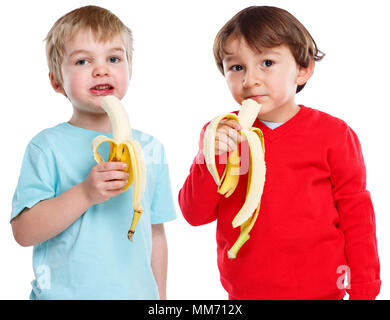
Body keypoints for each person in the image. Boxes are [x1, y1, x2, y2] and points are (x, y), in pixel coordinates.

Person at [178, 6, 381, 300]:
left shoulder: (334, 134)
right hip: (245, 293)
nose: (250, 80)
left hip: (323, 292)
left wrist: (364, 288)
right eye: (237, 67)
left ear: (303, 69)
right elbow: (194, 214)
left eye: (267, 63)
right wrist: (211, 158)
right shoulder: (220, 132)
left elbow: (357, 215)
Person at [10, 5, 176, 300]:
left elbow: (156, 235)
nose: (101, 69)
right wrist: (85, 193)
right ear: (56, 81)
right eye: (83, 61)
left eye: (114, 58)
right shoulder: (46, 147)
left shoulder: (151, 149)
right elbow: (23, 232)